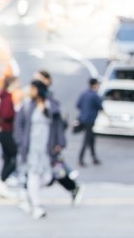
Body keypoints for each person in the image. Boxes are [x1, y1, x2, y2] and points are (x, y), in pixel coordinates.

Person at [15, 80, 67, 220]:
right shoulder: (27, 106)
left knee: (47, 178)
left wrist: (60, 143)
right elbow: (19, 125)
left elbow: (59, 126)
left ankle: (28, 193)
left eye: (33, 89)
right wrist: (20, 141)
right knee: (33, 175)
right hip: (32, 147)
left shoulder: (52, 106)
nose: (31, 92)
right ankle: (37, 206)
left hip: (46, 147)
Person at [34, 70, 81, 203]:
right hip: (40, 144)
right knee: (42, 170)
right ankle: (30, 196)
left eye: (38, 78)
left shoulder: (49, 101)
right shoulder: (35, 101)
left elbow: (57, 124)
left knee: (56, 170)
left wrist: (59, 142)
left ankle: (73, 187)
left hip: (50, 143)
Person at [0, 75, 19, 189]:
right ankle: (2, 179)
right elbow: (6, 114)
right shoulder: (7, 98)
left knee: (8, 157)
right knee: (14, 155)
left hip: (3, 130)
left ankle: (3, 180)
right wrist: (15, 114)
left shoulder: (4, 96)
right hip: (6, 130)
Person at [75, 78, 103, 166]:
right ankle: (81, 158)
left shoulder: (84, 93)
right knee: (87, 139)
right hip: (90, 120)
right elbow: (100, 107)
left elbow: (78, 105)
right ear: (95, 85)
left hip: (83, 119)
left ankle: (94, 157)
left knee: (91, 139)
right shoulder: (94, 95)